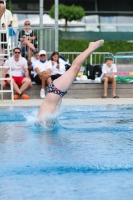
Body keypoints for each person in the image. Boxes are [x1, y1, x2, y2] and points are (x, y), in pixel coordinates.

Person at [37, 39, 104, 125]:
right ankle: (91, 47)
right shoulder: (42, 123)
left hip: (55, 91)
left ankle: (91, 47)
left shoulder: (42, 122)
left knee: (75, 68)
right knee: (75, 69)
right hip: (56, 94)